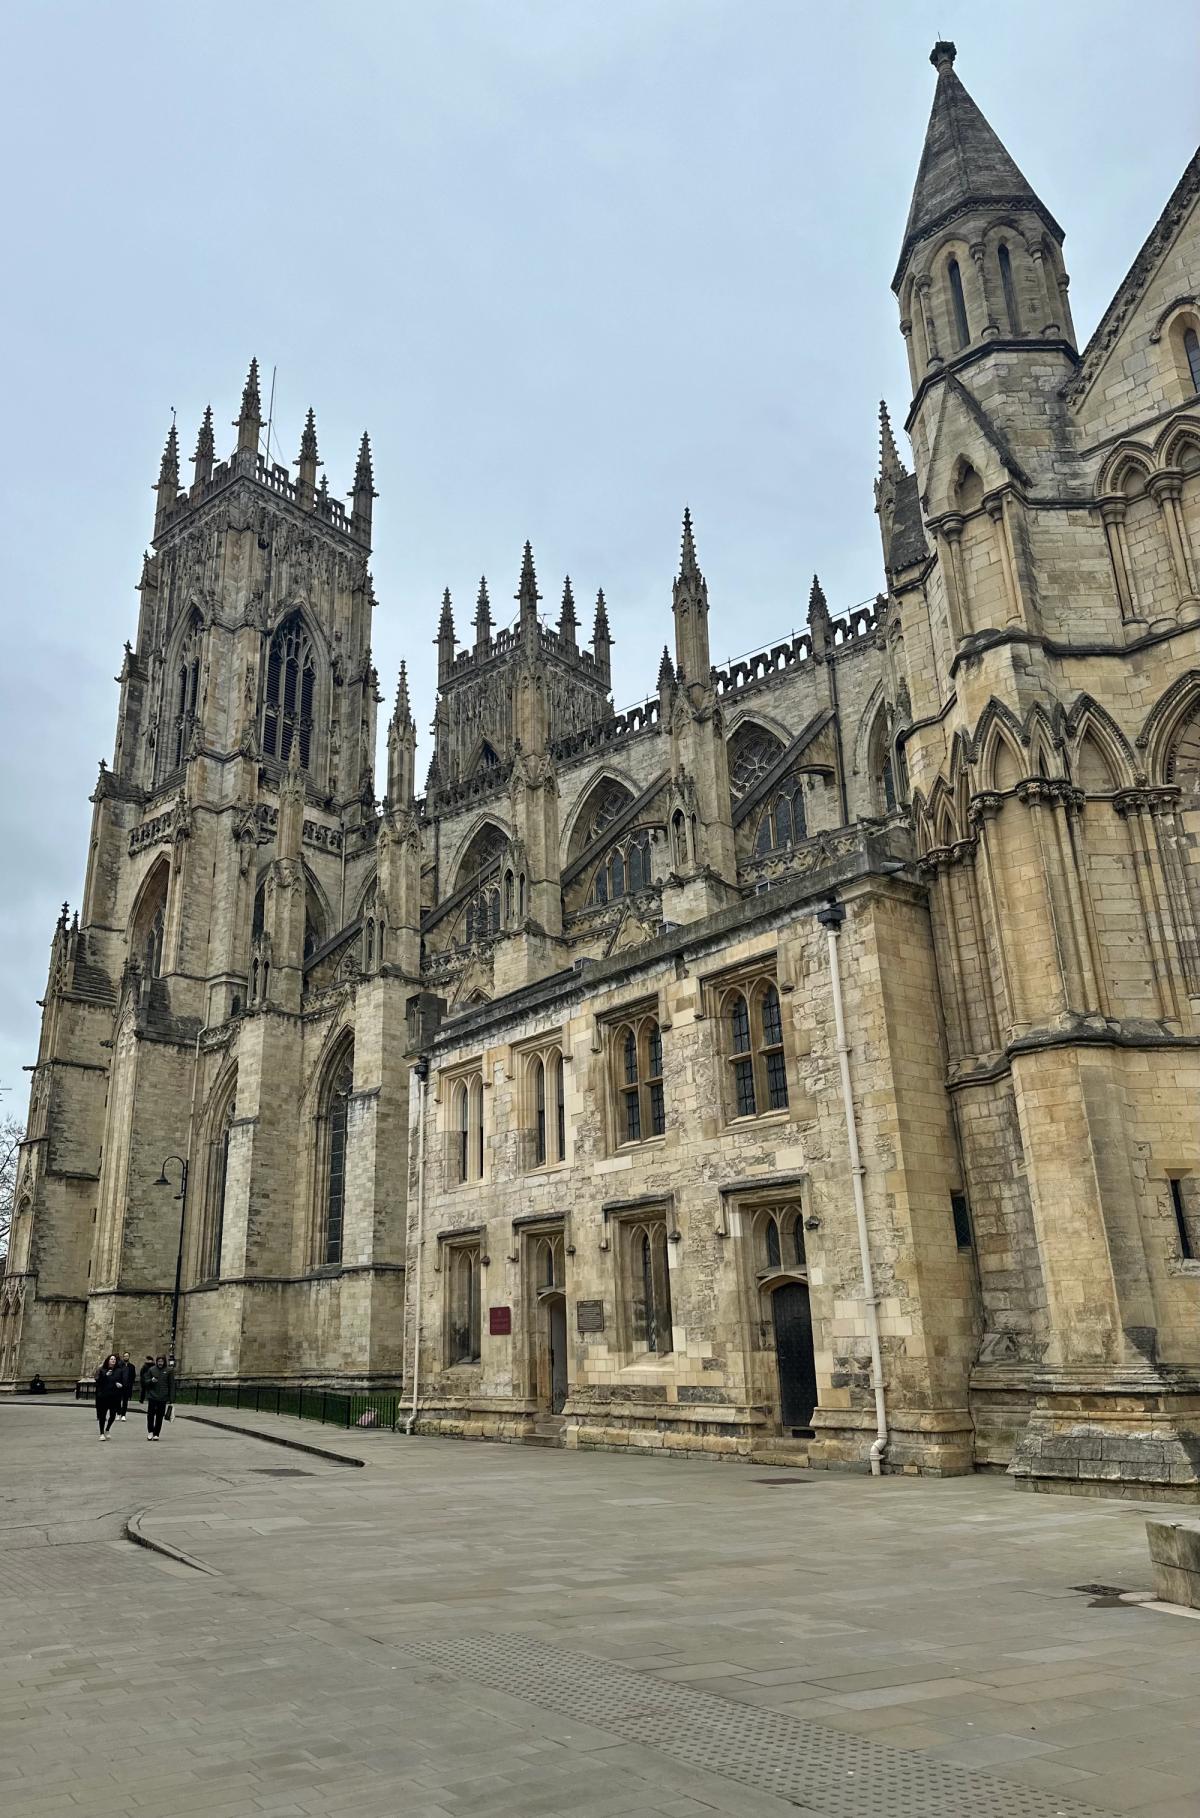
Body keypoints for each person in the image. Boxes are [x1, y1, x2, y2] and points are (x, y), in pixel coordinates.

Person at [144, 1354, 174, 1440]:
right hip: (152, 1396)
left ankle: (156, 1433)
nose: (160, 1363)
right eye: (159, 1361)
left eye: (162, 1361)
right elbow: (145, 1382)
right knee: (150, 1415)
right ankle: (150, 1431)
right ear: (156, 1362)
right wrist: (151, 1381)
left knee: (160, 1416)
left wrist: (171, 1399)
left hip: (163, 1397)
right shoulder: (152, 1369)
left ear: (164, 1362)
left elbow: (171, 1385)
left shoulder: (169, 1370)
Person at [94, 1355, 122, 1437]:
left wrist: (119, 1383)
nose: (113, 1360)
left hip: (114, 1396)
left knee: (113, 1415)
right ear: (108, 1361)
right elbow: (98, 1382)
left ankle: (107, 1429)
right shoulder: (102, 1370)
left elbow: (120, 1380)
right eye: (111, 1359)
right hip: (104, 1396)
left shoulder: (118, 1370)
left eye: (114, 1359)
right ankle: (102, 1433)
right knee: (103, 1415)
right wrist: (105, 1375)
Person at [116, 1353, 136, 1419]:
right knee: (118, 1400)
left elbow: (133, 1376)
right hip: (120, 1385)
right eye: (124, 1356)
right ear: (123, 1357)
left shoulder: (132, 1366)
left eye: (127, 1356)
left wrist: (130, 1383)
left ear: (129, 1357)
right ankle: (118, 1413)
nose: (126, 1357)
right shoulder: (119, 1365)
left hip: (127, 1386)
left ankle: (123, 1415)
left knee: (125, 1401)